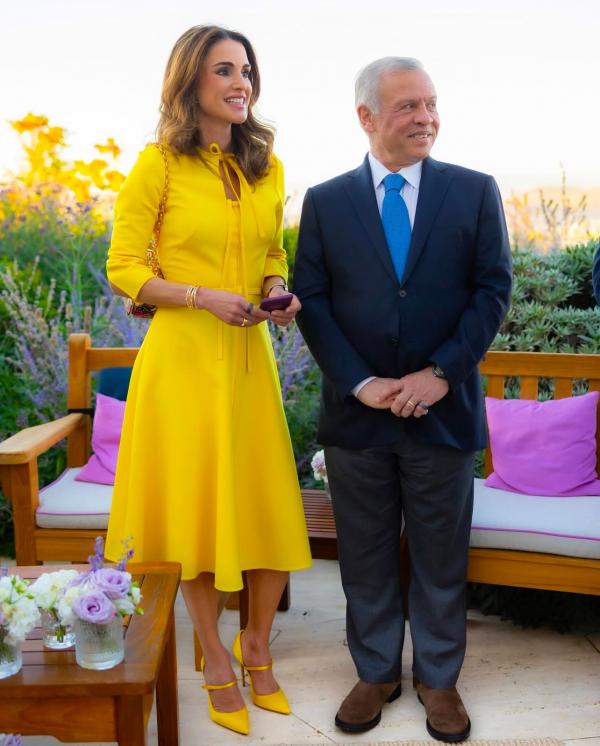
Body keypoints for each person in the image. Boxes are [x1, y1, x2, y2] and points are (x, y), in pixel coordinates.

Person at [294, 57, 512, 742]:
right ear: (366, 116)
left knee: (441, 556)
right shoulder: (325, 201)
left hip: (443, 411)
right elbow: (313, 302)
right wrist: (362, 383)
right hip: (356, 417)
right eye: (408, 106)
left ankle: (439, 680)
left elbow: (492, 291)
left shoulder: (474, 191)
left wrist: (440, 373)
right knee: (364, 555)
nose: (426, 118)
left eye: (431, 103)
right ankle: (377, 672)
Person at [104, 25, 311, 737]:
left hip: (250, 359)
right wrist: (200, 297)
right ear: (190, 80)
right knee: (193, 511)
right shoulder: (158, 164)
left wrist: (276, 289)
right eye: (224, 70)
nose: (240, 82)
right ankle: (215, 656)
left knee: (267, 503)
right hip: (183, 362)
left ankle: (257, 645)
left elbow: (272, 252)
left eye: (246, 70)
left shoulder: (266, 167)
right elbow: (124, 266)